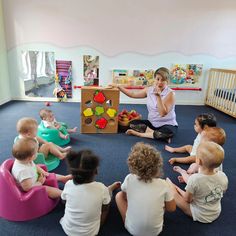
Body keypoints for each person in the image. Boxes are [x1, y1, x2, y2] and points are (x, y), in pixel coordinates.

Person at [115, 142, 176, 236]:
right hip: (156, 231)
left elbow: (124, 197)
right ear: (158, 165)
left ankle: (130, 220)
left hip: (133, 230)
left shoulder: (129, 178)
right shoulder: (163, 184)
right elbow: (171, 209)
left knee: (118, 196)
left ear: (132, 166)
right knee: (162, 202)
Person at [60, 150, 121, 236]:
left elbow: (64, 201)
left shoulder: (68, 184)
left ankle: (109, 189)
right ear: (96, 171)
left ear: (71, 173)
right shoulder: (100, 188)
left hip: (68, 229)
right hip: (91, 232)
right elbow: (105, 207)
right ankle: (109, 190)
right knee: (106, 203)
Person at [167, 141, 228, 223]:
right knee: (196, 185)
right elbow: (222, 191)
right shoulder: (223, 176)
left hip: (200, 214)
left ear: (198, 161)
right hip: (216, 212)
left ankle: (172, 186)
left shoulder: (195, 179)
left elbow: (187, 200)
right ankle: (183, 174)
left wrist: (176, 188)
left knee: (172, 192)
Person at [114, 67, 178, 143]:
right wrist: (118, 86)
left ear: (167, 81)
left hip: (167, 124)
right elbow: (133, 94)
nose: (160, 82)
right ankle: (156, 135)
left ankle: (140, 134)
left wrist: (158, 96)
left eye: (163, 80)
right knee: (132, 124)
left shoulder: (171, 94)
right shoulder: (149, 90)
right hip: (152, 123)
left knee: (167, 132)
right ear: (154, 79)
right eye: (158, 79)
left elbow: (162, 113)